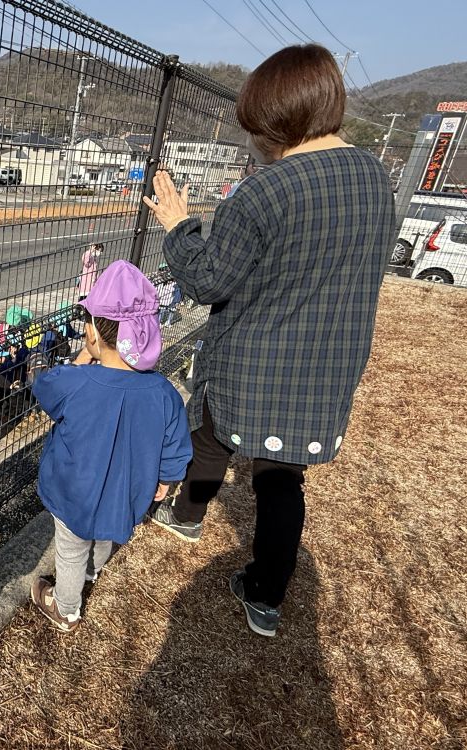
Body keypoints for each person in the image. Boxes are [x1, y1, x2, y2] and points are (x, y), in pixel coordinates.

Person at [142, 44, 395, 638]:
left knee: (210, 436)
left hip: (252, 361)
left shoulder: (265, 191)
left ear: (278, 121)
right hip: (326, 364)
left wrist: (180, 224)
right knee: (282, 480)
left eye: (256, 127)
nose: (254, 140)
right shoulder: (374, 179)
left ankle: (186, 518)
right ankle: (265, 596)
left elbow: (208, 280)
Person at [29, 261, 192, 632]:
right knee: (106, 532)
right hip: (126, 493)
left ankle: (66, 608)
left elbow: (45, 386)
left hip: (74, 492)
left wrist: (85, 355)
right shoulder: (164, 394)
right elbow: (176, 447)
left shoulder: (77, 383)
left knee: (70, 547)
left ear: (92, 333)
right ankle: (93, 572)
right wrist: (165, 480)